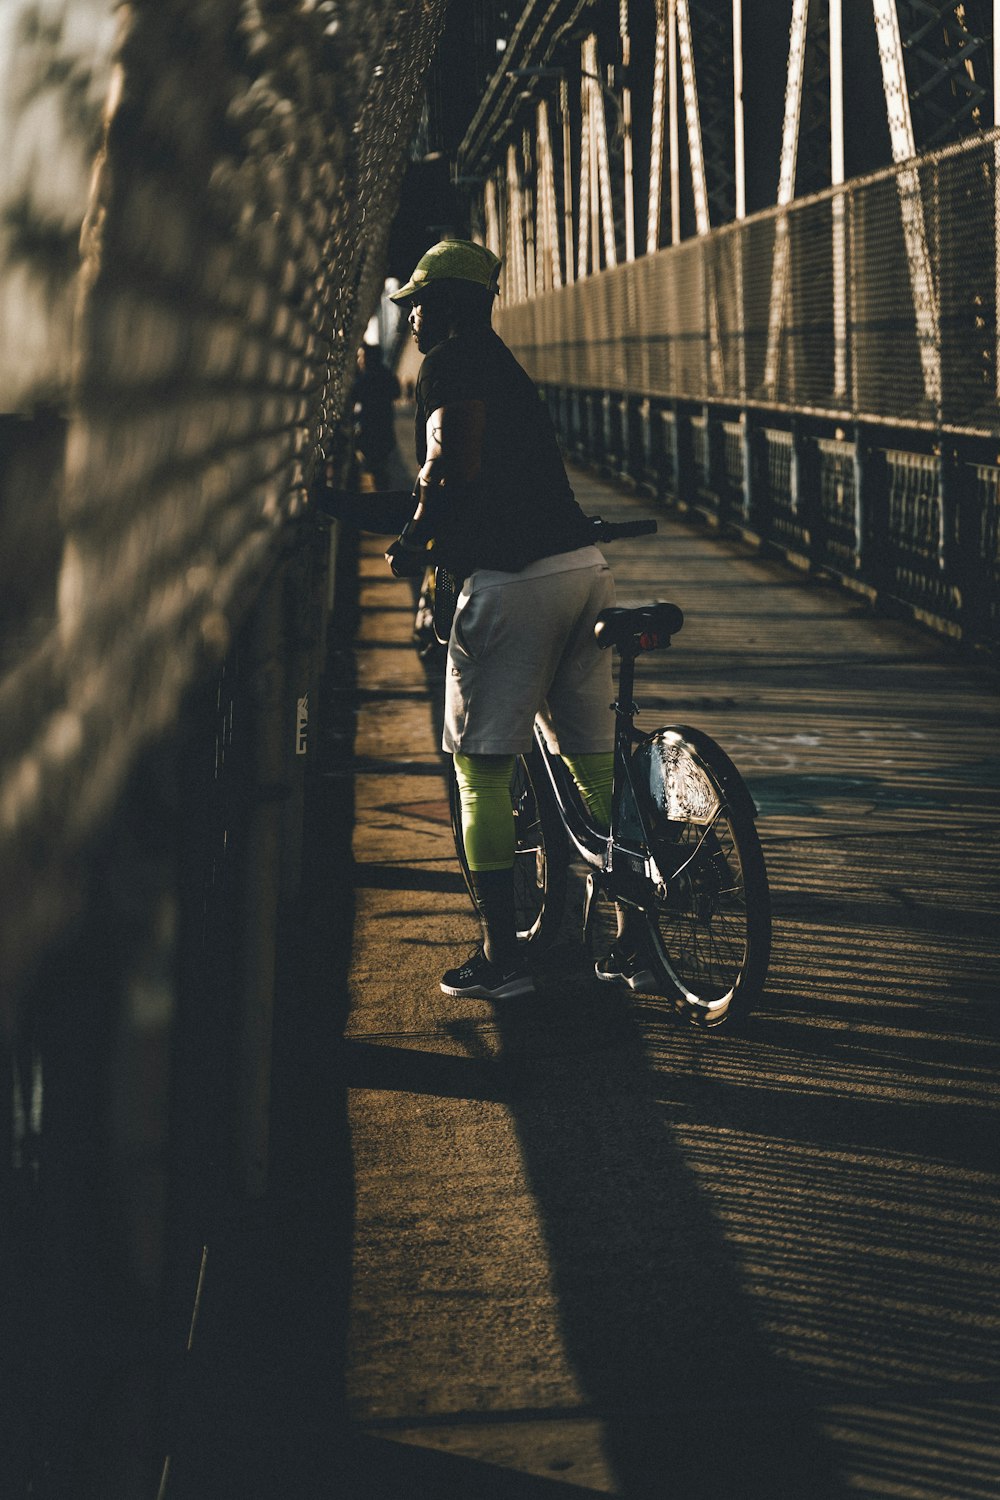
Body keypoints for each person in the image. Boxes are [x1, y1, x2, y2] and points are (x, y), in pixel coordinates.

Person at [379, 238, 640, 1001]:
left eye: (417, 303)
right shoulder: (509, 369)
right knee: (592, 761)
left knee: (478, 770)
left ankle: (500, 959)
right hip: (583, 573)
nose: (410, 318)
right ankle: (636, 938)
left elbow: (448, 460)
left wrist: (414, 540)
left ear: (448, 305)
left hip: (513, 583)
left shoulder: (451, 364)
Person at [351, 341, 409, 491]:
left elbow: (353, 396)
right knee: (382, 469)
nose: (359, 361)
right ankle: (383, 495)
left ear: (368, 358)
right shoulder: (387, 374)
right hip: (385, 428)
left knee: (374, 468)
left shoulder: (365, 380)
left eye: (361, 357)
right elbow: (396, 392)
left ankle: (380, 499)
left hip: (369, 431)